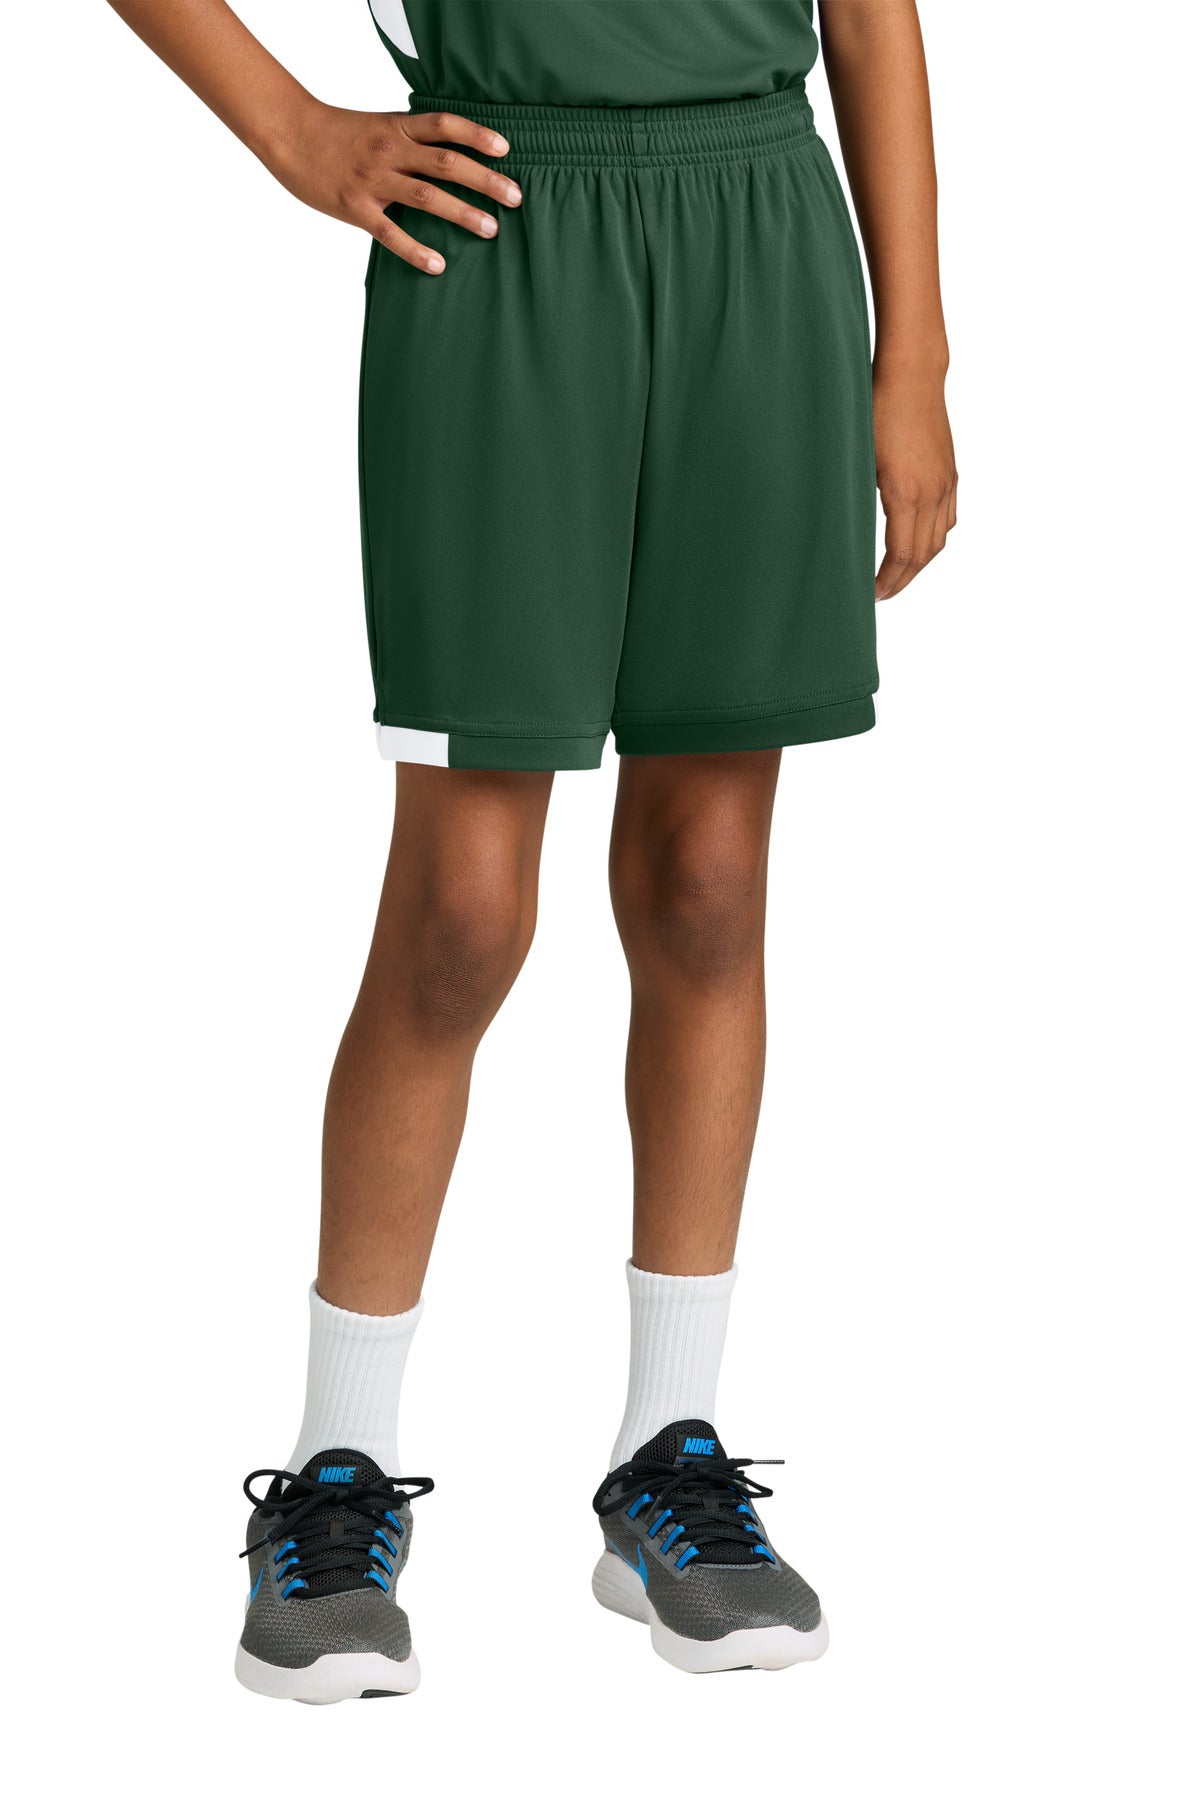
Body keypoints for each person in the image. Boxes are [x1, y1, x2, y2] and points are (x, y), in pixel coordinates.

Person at [108, 0, 956, 1700]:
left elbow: (871, 17)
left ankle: (669, 1459)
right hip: (500, 235)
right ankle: (336, 1472)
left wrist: (913, 358)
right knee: (463, 912)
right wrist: (293, 129)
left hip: (756, 231)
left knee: (710, 885)